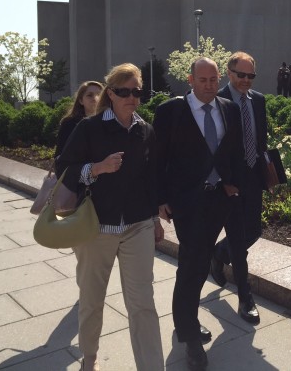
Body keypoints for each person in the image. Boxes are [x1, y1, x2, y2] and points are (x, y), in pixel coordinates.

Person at [56, 63, 164, 371]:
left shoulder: (145, 130)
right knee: (92, 301)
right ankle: (89, 360)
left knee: (143, 303)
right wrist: (97, 168)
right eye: (124, 91)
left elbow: (151, 178)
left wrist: (155, 217)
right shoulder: (89, 128)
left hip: (138, 226)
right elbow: (65, 168)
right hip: (95, 228)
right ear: (111, 93)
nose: (131, 98)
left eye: (136, 92)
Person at [153, 57, 243, 371]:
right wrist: (160, 199)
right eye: (202, 80)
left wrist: (230, 183)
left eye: (213, 80)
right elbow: (157, 157)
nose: (208, 86)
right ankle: (190, 339)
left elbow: (232, 150)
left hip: (218, 200)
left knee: (199, 262)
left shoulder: (229, 109)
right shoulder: (170, 111)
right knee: (192, 265)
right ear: (190, 80)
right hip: (187, 203)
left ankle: (184, 320)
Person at [211, 52, 267, 325]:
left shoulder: (258, 100)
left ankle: (219, 253)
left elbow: (261, 139)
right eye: (240, 75)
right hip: (229, 181)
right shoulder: (217, 100)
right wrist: (222, 179)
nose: (245, 80)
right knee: (237, 239)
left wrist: (267, 171)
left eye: (250, 75)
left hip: (254, 176)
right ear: (229, 73)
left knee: (254, 231)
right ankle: (245, 297)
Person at [54, 81, 103, 158]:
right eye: (90, 95)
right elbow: (60, 156)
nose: (95, 98)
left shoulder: (111, 123)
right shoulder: (69, 124)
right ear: (81, 101)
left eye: (99, 95)